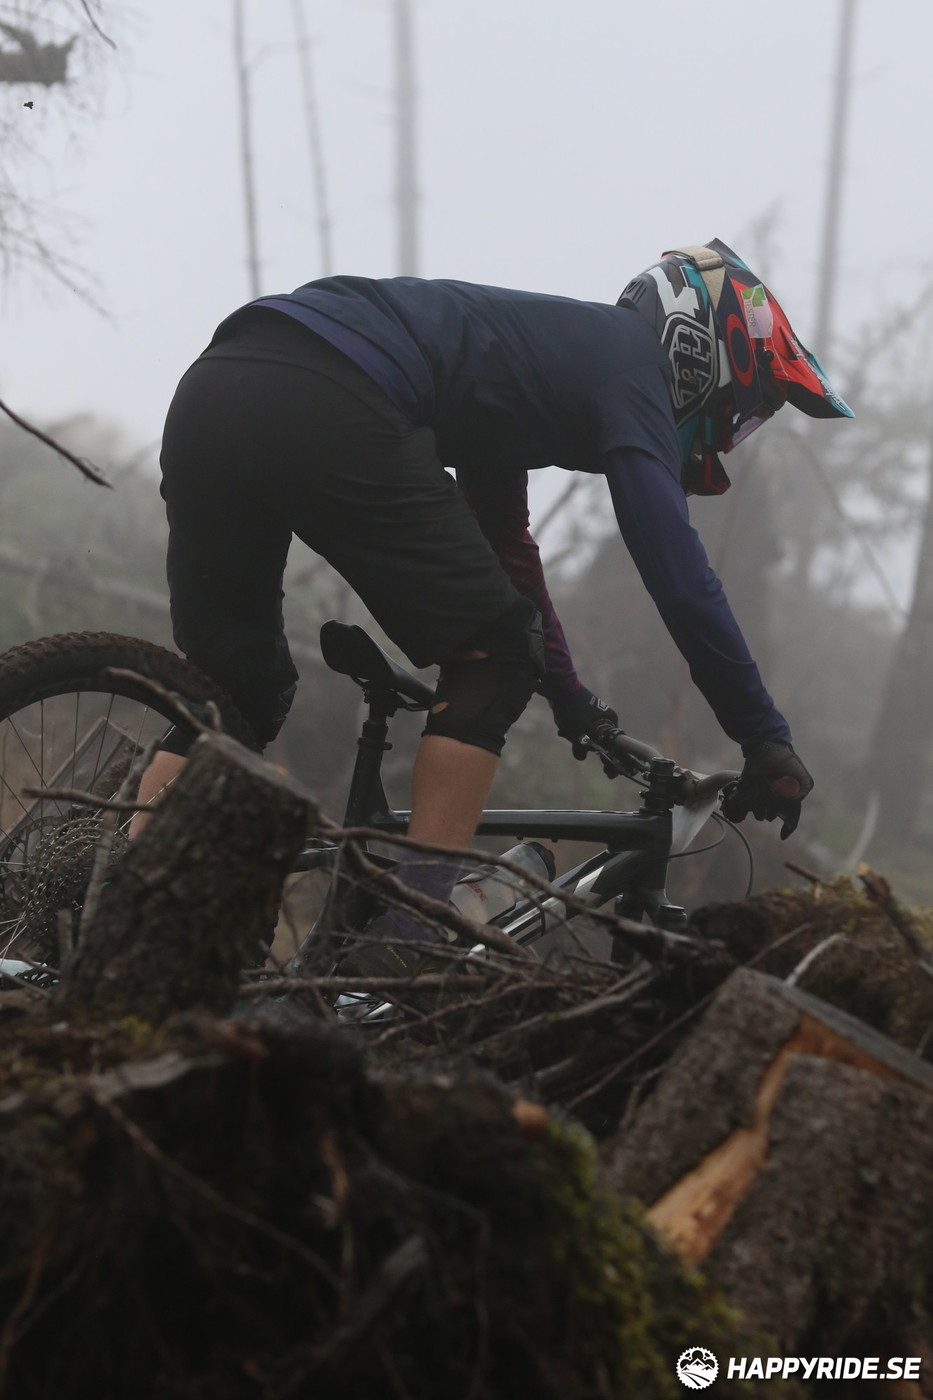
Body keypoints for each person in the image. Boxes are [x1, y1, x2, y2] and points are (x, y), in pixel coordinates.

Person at [137, 239, 851, 971]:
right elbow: (677, 575)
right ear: (702, 349)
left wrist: (570, 698)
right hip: (331, 389)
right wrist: (761, 734)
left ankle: (108, 900)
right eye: (745, 408)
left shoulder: (528, 361)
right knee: (497, 658)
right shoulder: (631, 368)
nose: (733, 430)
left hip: (215, 386)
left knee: (235, 691)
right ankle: (409, 937)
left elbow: (508, 556)